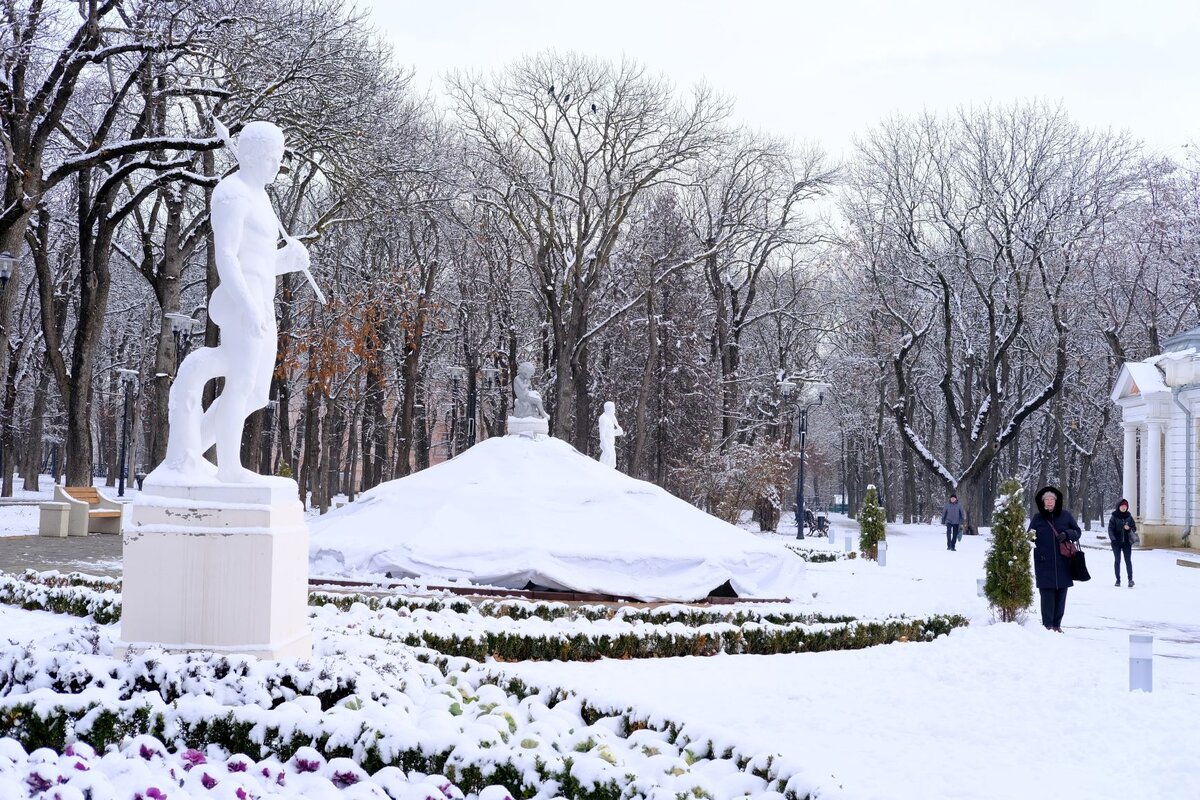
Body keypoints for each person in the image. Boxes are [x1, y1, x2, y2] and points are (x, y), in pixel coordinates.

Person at [159, 121, 312, 483]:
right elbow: (226, 258)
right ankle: (230, 469)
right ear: (254, 155)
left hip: (262, 301)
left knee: (257, 393)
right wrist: (247, 305)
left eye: (279, 157)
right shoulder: (231, 194)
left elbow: (258, 263)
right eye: (273, 157)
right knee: (240, 383)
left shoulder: (261, 197)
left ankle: (189, 451)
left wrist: (288, 262)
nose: (278, 165)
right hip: (241, 303)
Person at [1029, 485, 1082, 632]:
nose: (1050, 502)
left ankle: (1057, 625)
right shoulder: (1038, 518)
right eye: (1047, 499)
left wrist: (1067, 534)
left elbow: (1077, 532)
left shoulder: (1065, 516)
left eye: (1052, 499)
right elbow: (1029, 537)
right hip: (1044, 562)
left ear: (1056, 501)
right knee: (1047, 595)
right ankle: (1047, 625)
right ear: (1043, 502)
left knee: (1061, 594)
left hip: (1063, 562)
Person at [1107, 499, 1138, 587]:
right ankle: (1118, 580)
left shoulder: (1129, 517)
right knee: (1117, 560)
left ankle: (1130, 580)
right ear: (1118, 507)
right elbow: (1110, 529)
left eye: (1125, 506)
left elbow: (1134, 528)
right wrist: (1113, 539)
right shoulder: (1114, 517)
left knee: (1128, 560)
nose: (1124, 508)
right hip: (1116, 542)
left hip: (1127, 543)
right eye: (1122, 506)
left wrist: (1129, 529)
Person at [597, 401, 624, 468]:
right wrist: (606, 448)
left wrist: (618, 430)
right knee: (605, 463)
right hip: (606, 443)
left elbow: (610, 433)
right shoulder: (603, 419)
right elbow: (602, 435)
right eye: (612, 408)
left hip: (611, 444)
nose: (614, 410)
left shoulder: (610, 418)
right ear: (608, 409)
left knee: (612, 464)